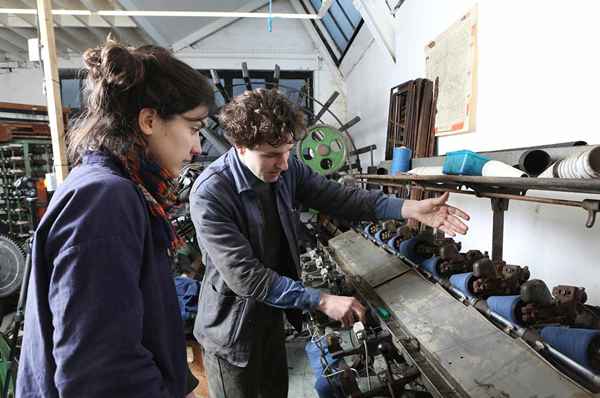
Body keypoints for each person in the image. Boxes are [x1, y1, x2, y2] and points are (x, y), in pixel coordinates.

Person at [189, 88, 469, 398]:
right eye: (271, 155)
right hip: (231, 332)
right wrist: (321, 300)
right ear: (239, 146)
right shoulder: (211, 193)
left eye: (288, 151)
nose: (283, 164)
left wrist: (407, 209)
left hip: (271, 317)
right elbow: (246, 277)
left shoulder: (287, 169)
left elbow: (341, 199)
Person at [16, 39, 214, 398]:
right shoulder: (106, 198)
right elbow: (100, 370)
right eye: (194, 127)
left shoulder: (116, 187)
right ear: (149, 120)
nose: (197, 147)